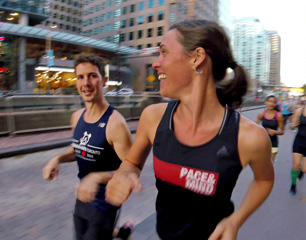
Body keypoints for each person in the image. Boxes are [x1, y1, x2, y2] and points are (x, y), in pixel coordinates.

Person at [105, 19, 274, 240]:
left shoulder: (249, 137)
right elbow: (132, 162)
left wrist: (236, 220)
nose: (156, 63)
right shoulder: (153, 117)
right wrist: (125, 173)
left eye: (164, 52)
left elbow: (264, 180)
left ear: (197, 58)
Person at [42, 53, 134, 240]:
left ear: (104, 81)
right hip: (83, 197)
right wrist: (57, 158)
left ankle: (116, 232)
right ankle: (120, 233)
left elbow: (132, 171)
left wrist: (97, 177)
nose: (86, 83)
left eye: (92, 76)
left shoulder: (115, 124)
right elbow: (80, 149)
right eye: (80, 77)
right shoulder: (77, 117)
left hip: (105, 204)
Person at [256, 95, 284, 162]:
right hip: (263, 142)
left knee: (270, 164)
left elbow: (282, 132)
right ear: (266, 102)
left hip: (273, 142)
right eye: (270, 101)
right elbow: (255, 127)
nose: (272, 104)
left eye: (274, 102)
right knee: (261, 163)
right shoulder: (261, 114)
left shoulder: (278, 115)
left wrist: (275, 132)